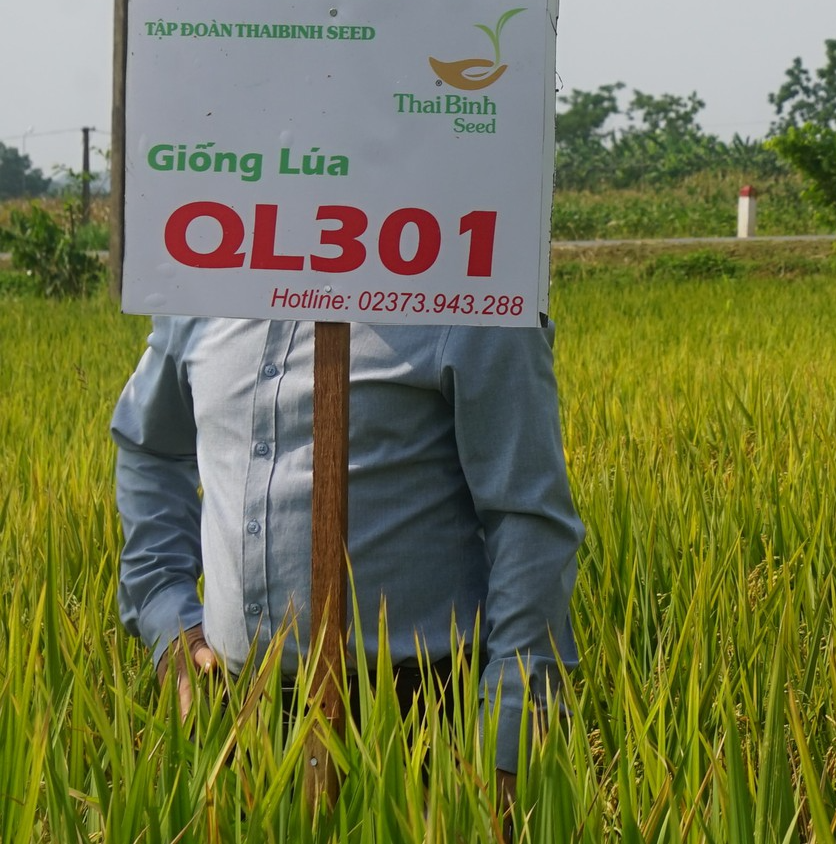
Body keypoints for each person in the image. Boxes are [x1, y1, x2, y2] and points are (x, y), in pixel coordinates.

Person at [111, 316, 583, 797]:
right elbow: (150, 446)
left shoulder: (469, 288)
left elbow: (526, 514)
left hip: (424, 733)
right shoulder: (210, 286)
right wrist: (169, 617)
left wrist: (514, 728)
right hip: (233, 723)